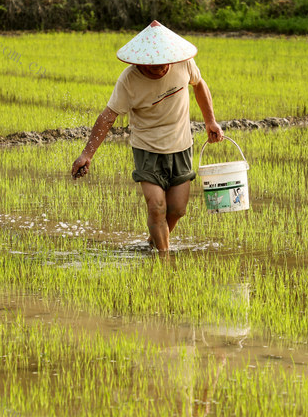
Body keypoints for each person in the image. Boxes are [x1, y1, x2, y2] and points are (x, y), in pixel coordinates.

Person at [70, 21, 224, 253]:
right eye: (154, 65)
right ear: (140, 61)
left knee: (178, 209)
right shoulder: (129, 80)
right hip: (147, 149)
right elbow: (108, 116)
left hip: (181, 145)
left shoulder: (184, 63)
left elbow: (199, 84)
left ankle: (154, 242)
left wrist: (210, 121)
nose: (161, 68)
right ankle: (163, 260)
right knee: (156, 207)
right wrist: (87, 154)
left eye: (165, 63)